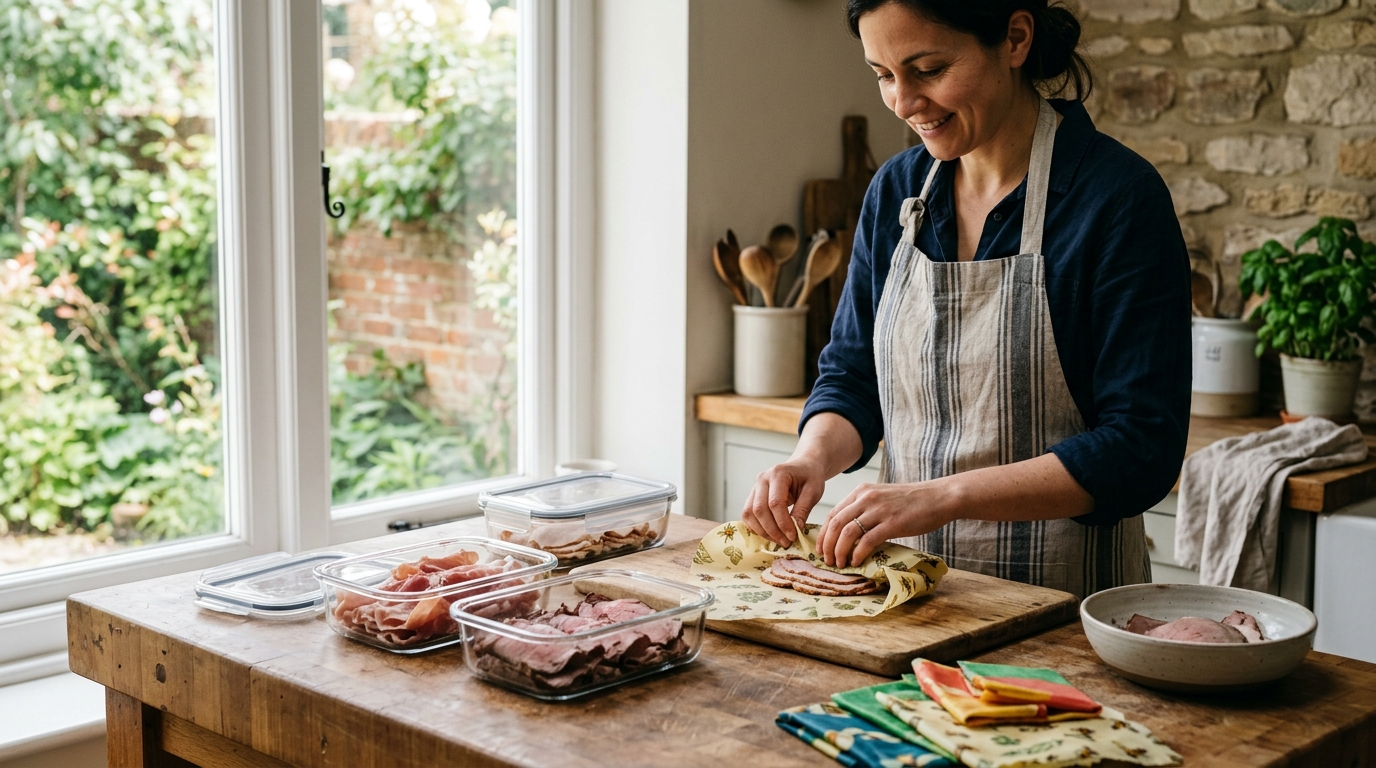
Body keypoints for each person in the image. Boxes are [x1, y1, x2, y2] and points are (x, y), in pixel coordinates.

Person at [740, 0, 1190, 599]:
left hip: (1061, 613)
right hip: (906, 603)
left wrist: (944, 495)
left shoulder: (1116, 199)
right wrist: (810, 459)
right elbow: (854, 378)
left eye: (927, 70)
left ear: (1015, 38)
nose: (902, 102)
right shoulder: (897, 192)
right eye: (882, 74)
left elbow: (1141, 449)